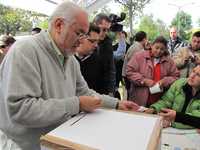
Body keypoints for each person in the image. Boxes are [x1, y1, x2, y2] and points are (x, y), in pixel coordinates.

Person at [0, 2, 139, 150]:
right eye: (79, 33)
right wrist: (77, 104)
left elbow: (85, 93)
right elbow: (21, 110)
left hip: (56, 141)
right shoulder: (25, 51)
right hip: (24, 145)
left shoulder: (70, 59)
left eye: (85, 35)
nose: (82, 40)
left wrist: (116, 104)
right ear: (59, 25)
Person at [126, 36, 179, 106]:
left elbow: (176, 76)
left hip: (159, 102)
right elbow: (129, 72)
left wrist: (164, 81)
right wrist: (144, 81)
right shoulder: (139, 56)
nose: (159, 51)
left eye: (162, 49)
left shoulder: (169, 61)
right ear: (151, 46)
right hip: (139, 99)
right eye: (156, 48)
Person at [92, 13, 116, 95]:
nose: (105, 33)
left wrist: (111, 91)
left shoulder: (107, 43)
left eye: (107, 30)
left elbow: (111, 69)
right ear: (94, 25)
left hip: (103, 90)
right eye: (103, 29)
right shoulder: (82, 40)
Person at [75, 23, 101, 91]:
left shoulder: (98, 60)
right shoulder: (67, 58)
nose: (96, 45)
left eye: (97, 42)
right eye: (92, 41)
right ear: (81, 37)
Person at [122, 31, 147, 99]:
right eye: (146, 39)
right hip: (130, 76)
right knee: (132, 96)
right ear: (144, 39)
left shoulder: (135, 46)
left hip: (128, 75)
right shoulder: (137, 48)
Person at [113, 31, 130, 99]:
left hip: (125, 72)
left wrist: (125, 59)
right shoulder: (113, 47)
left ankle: (126, 100)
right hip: (116, 71)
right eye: (120, 36)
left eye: (123, 36)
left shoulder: (129, 47)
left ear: (125, 37)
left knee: (126, 89)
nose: (121, 37)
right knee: (115, 88)